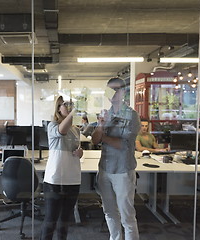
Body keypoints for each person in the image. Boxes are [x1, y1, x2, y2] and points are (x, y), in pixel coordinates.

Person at [92, 77, 140, 240]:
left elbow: (124, 145)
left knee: (126, 216)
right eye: (109, 90)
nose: (112, 93)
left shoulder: (132, 115)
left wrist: (103, 135)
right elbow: (94, 139)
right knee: (109, 212)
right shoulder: (106, 114)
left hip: (122, 171)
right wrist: (100, 125)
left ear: (123, 92)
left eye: (116, 89)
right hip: (105, 169)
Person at [40, 96, 83, 240]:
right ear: (59, 108)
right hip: (55, 180)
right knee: (51, 219)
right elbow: (62, 131)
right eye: (66, 104)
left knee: (65, 220)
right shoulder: (52, 125)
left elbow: (77, 149)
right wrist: (75, 112)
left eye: (72, 104)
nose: (70, 107)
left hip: (73, 179)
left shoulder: (76, 130)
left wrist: (80, 152)